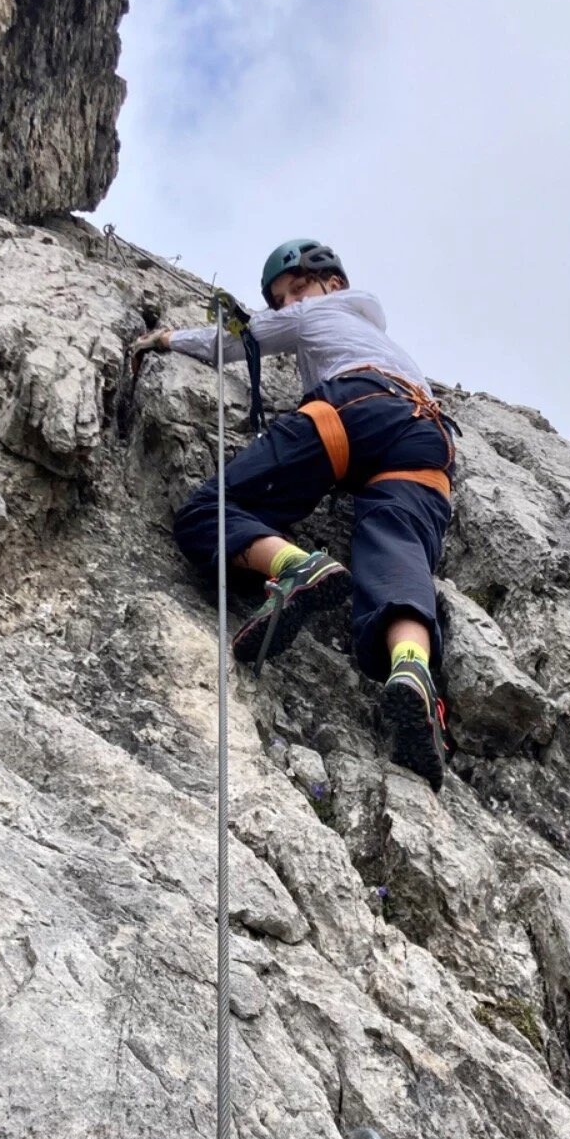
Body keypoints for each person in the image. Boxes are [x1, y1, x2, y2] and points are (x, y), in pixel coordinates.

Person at [133, 239, 456, 790]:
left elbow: (234, 341)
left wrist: (163, 338)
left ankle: (293, 566)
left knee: (207, 511)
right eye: (280, 300)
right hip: (427, 440)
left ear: (332, 284)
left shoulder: (318, 312)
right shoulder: (385, 339)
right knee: (398, 552)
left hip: (352, 409)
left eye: (296, 290)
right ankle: (412, 668)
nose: (287, 306)